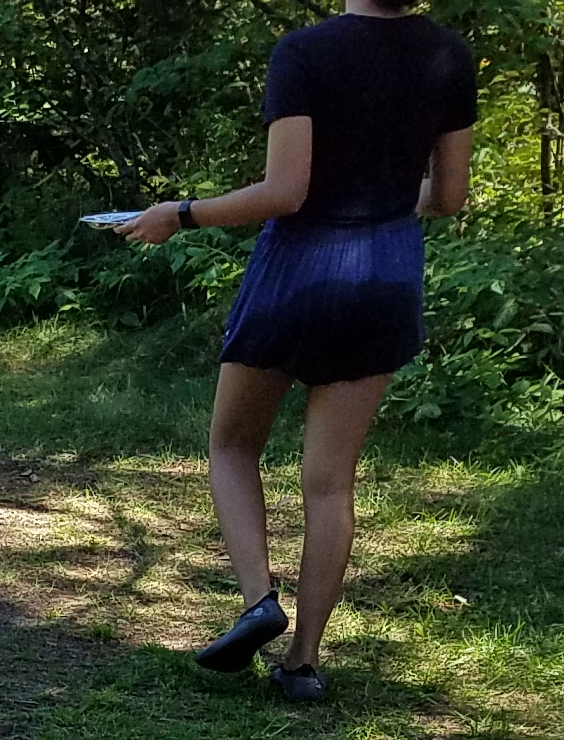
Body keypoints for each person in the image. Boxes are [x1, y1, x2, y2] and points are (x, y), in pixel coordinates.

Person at [114, 0, 475, 701]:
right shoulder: (449, 54)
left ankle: (259, 600)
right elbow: (451, 195)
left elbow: (286, 191)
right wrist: (389, 198)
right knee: (331, 482)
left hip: (300, 269)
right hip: (387, 271)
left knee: (232, 444)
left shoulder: (305, 52)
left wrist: (178, 215)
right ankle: (303, 662)